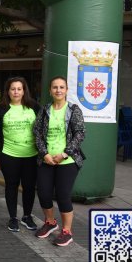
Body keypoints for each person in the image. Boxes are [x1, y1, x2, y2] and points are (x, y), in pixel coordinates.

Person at [33, 76, 86, 247]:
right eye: (55, 87)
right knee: (44, 193)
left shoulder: (74, 110)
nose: (58, 90)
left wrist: (64, 154)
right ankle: (50, 222)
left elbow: (80, 133)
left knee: (63, 196)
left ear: (66, 90)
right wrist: (45, 153)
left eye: (61, 87)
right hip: (47, 159)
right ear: (50, 90)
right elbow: (37, 132)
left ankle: (67, 231)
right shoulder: (45, 109)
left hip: (68, 160)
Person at [0, 77, 40, 232]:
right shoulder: (1, 109)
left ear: (24, 90)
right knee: (11, 186)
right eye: (12, 89)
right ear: (8, 91)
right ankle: (13, 218)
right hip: (8, 154)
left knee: (29, 187)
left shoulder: (34, 107)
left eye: (19, 89)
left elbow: (44, 128)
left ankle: (27, 216)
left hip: (31, 155)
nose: (16, 92)